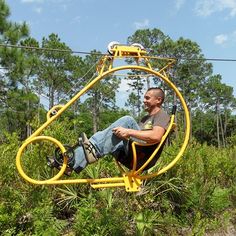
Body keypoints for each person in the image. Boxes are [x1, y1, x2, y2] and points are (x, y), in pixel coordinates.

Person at [49, 87, 170, 174]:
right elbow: (136, 137)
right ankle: (70, 164)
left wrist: (128, 132)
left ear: (158, 100)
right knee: (104, 135)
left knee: (127, 120)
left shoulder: (162, 115)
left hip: (143, 156)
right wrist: (125, 134)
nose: (144, 101)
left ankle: (83, 155)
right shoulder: (145, 118)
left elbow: (156, 136)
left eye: (147, 98)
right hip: (133, 151)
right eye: (144, 98)